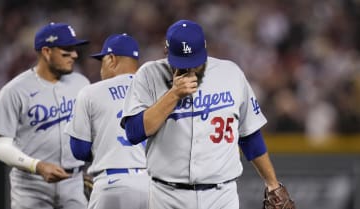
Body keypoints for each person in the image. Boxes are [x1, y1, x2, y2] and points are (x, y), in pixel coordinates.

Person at [121, 19, 294, 209]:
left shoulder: (230, 74)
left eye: (194, 62)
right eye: (181, 62)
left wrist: (272, 184)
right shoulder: (148, 75)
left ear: (204, 48)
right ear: (166, 51)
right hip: (167, 196)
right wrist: (173, 94)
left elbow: (249, 135)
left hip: (221, 195)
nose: (190, 68)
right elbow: (134, 132)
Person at [0, 22, 90, 209]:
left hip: (73, 182)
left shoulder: (81, 83)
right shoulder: (14, 91)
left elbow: (91, 131)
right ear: (46, 51)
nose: (74, 55)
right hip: (31, 185)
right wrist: (36, 165)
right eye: (66, 50)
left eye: (74, 49)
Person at [65, 33, 149, 209]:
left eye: (101, 61)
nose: (101, 68)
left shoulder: (91, 92)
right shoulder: (158, 91)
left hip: (112, 185)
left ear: (111, 59)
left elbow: (79, 150)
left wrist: (104, 147)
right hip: (154, 186)